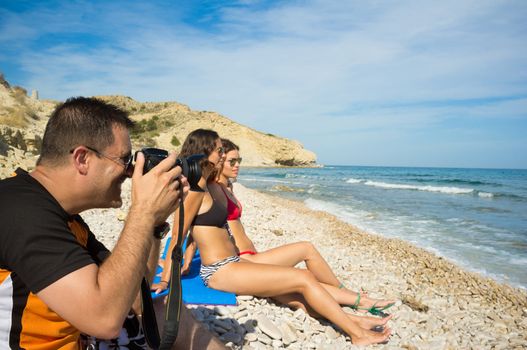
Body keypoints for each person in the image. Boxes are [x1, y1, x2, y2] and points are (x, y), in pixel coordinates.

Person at [0, 97, 225, 349]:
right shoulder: (19, 211)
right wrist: (142, 212)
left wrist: (154, 223)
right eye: (124, 160)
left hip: (81, 337)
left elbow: (137, 300)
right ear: (82, 159)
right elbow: (104, 320)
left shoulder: (65, 217)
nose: (130, 172)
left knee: (167, 315)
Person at [156, 129, 392, 345]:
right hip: (219, 271)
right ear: (205, 152)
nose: (222, 153)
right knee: (303, 278)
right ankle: (357, 334)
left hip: (236, 264)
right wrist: (166, 279)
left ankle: (354, 321)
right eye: (219, 150)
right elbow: (178, 236)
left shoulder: (213, 186)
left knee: (296, 296)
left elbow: (202, 234)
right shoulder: (195, 191)